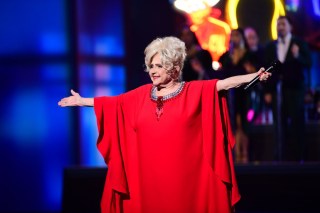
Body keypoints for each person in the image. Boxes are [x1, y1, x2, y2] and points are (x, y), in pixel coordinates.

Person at [58, 36, 271, 213]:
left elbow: (225, 83)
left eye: (159, 65)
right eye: (151, 65)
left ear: (175, 68)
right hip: (148, 182)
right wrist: (81, 101)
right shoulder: (140, 95)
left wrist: (255, 75)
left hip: (185, 182)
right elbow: (112, 104)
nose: (153, 70)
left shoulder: (193, 91)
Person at [264, 15, 312, 161]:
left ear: (290, 27)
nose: (280, 27)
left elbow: (308, 64)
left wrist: (297, 56)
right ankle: (281, 156)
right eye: (278, 25)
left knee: (297, 123)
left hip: (295, 89)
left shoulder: (299, 43)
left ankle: (299, 156)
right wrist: (267, 91)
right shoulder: (271, 46)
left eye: (283, 24)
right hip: (278, 91)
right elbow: (267, 70)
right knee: (280, 124)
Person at [219, 28, 256, 163]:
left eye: (237, 35)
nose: (234, 38)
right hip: (231, 93)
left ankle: (244, 153)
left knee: (243, 123)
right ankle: (235, 153)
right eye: (232, 35)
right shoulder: (226, 56)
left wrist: (251, 70)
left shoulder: (249, 55)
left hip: (244, 92)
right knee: (232, 122)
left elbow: (254, 73)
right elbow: (222, 74)